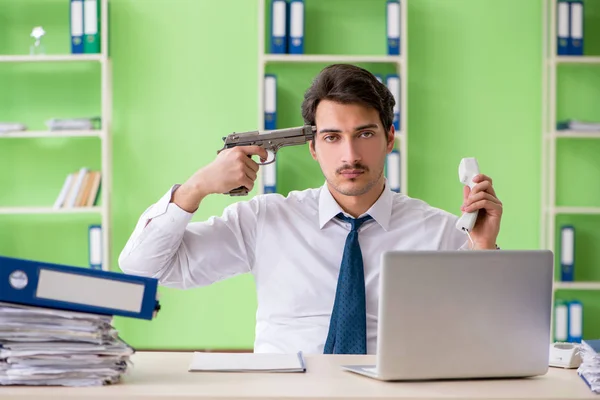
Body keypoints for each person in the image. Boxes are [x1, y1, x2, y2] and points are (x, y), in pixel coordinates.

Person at [119, 63, 503, 355]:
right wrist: (196, 187)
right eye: (332, 138)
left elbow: (491, 337)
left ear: (389, 139)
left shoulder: (441, 231)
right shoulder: (264, 220)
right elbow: (144, 267)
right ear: (313, 148)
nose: (349, 155)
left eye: (364, 134)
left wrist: (483, 248)